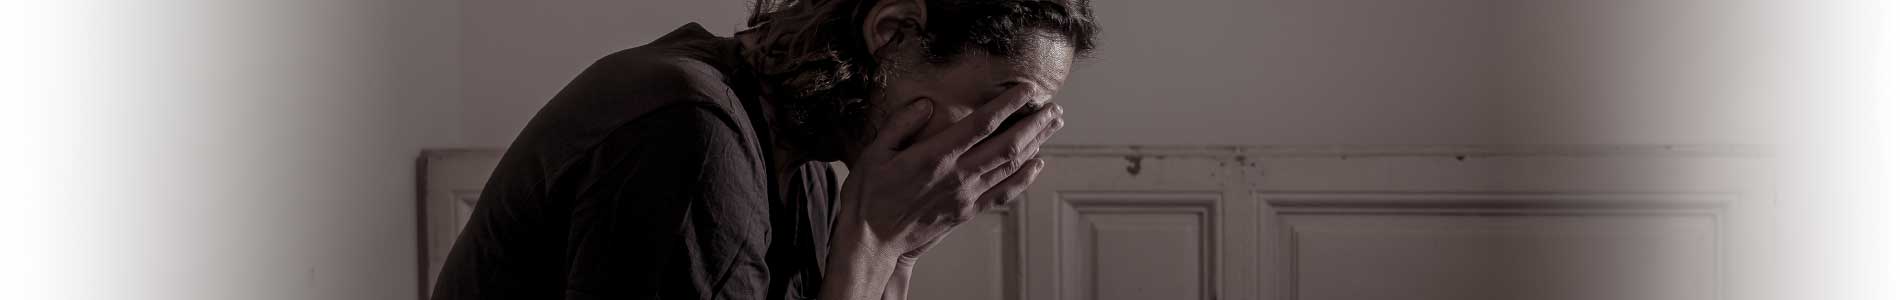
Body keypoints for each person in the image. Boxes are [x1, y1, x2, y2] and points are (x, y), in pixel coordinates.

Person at [429, 0, 1097, 299]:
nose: (1000, 148)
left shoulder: (801, 165)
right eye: (998, 110)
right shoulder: (689, 130)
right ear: (893, 32)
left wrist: (901, 247)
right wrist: (875, 242)